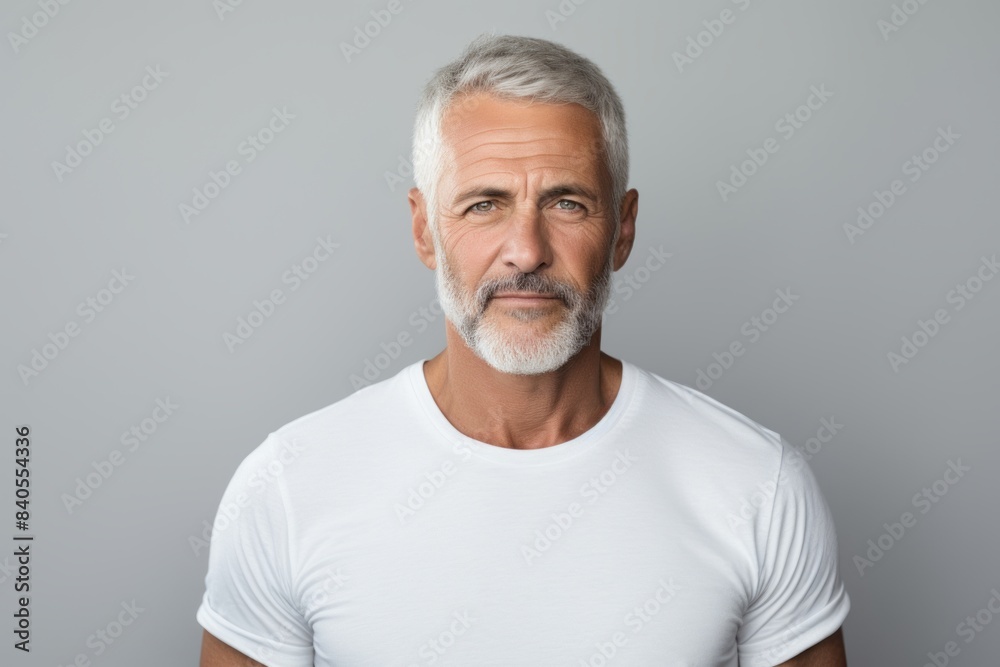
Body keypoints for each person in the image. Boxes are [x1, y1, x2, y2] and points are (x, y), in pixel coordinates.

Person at [197, 33, 850, 666]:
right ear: (425, 230)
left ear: (623, 230)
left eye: (567, 203)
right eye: (485, 204)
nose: (527, 250)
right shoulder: (288, 485)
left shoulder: (757, 484)